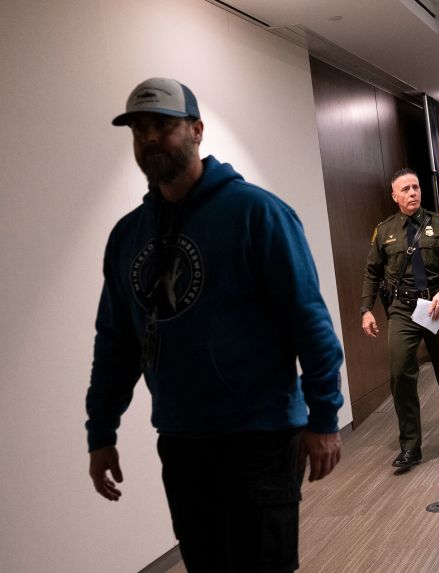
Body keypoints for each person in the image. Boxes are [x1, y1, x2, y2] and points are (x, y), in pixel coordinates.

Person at [85, 78, 344, 573]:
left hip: (259, 436)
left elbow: (310, 325)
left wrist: (325, 417)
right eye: (140, 129)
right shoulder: (128, 236)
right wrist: (101, 432)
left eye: (164, 125)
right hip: (181, 440)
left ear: (197, 130)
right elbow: (115, 344)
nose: (151, 138)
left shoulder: (257, 214)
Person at [361, 168, 439, 469]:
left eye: (416, 188)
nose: (412, 193)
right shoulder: (384, 231)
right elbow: (371, 272)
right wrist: (365, 309)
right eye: (405, 189)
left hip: (436, 306)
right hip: (403, 311)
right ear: (395, 196)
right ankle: (410, 446)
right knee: (399, 375)